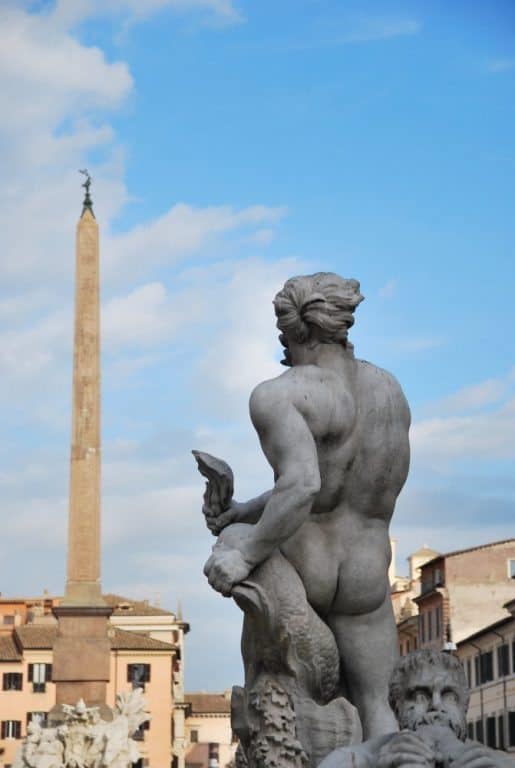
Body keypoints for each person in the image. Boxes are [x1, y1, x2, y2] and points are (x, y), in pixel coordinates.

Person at [203, 272, 411, 739]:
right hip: (366, 574)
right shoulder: (389, 393)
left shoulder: (279, 394)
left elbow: (302, 486)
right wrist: (244, 509)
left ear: (290, 331)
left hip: (308, 568)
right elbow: (338, 484)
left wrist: (243, 550)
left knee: (232, 546)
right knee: (378, 713)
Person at [319, 649, 514, 767]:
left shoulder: (501, 764)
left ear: (464, 707)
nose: (436, 706)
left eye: (449, 696)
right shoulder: (349, 762)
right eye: (420, 696)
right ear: (396, 707)